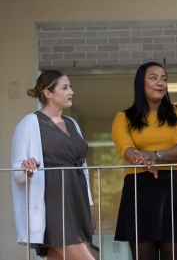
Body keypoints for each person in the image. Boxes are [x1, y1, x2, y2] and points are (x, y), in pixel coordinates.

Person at [112, 62, 177, 260]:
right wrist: (144, 160)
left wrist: (156, 155)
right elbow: (126, 150)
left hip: (175, 187)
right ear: (141, 83)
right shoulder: (124, 118)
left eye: (164, 79)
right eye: (153, 78)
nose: (160, 83)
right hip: (140, 189)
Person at [11, 70, 95, 259]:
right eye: (65, 88)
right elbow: (16, 172)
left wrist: (88, 202)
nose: (71, 92)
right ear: (48, 93)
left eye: (70, 87)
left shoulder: (72, 123)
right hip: (53, 204)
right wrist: (27, 167)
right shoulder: (30, 123)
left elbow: (83, 168)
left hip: (76, 200)